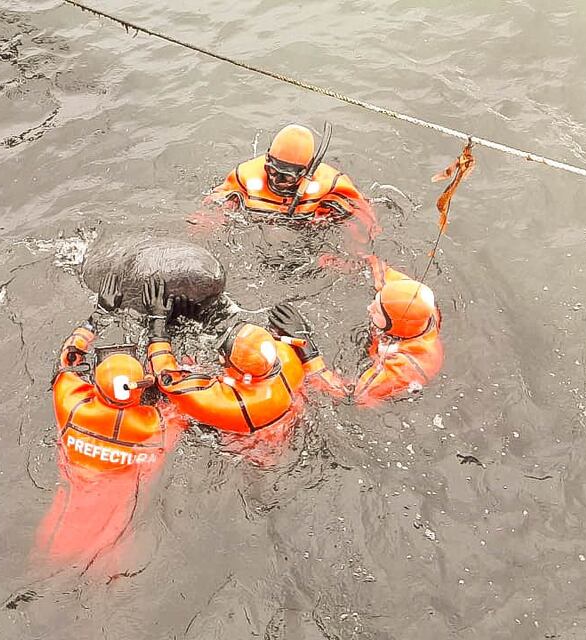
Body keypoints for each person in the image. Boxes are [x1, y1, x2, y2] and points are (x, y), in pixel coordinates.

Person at [35, 274, 183, 569]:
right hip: (115, 538)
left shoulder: (74, 408)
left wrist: (99, 315)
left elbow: (67, 360)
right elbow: (179, 390)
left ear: (95, 386)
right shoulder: (156, 427)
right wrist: (159, 327)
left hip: (58, 531)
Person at [142, 277, 307, 465]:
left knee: (165, 406)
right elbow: (320, 375)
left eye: (225, 356)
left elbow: (166, 379)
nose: (221, 357)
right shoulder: (288, 357)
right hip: (285, 423)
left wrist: (157, 322)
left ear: (243, 376)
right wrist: (306, 341)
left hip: (249, 445)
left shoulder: (226, 404)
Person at [269, 258, 443, 406]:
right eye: (376, 300)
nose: (369, 308)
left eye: (377, 311)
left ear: (395, 325)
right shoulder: (408, 295)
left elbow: (351, 396)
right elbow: (374, 265)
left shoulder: (404, 367)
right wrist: (328, 262)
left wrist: (308, 352)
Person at [209, 124, 379, 250]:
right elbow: (214, 206)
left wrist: (356, 250)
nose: (276, 179)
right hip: (258, 237)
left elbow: (363, 219)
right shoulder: (245, 175)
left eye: (286, 177)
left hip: (308, 240)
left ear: (306, 171)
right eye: (272, 170)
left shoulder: (330, 183)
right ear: (267, 158)